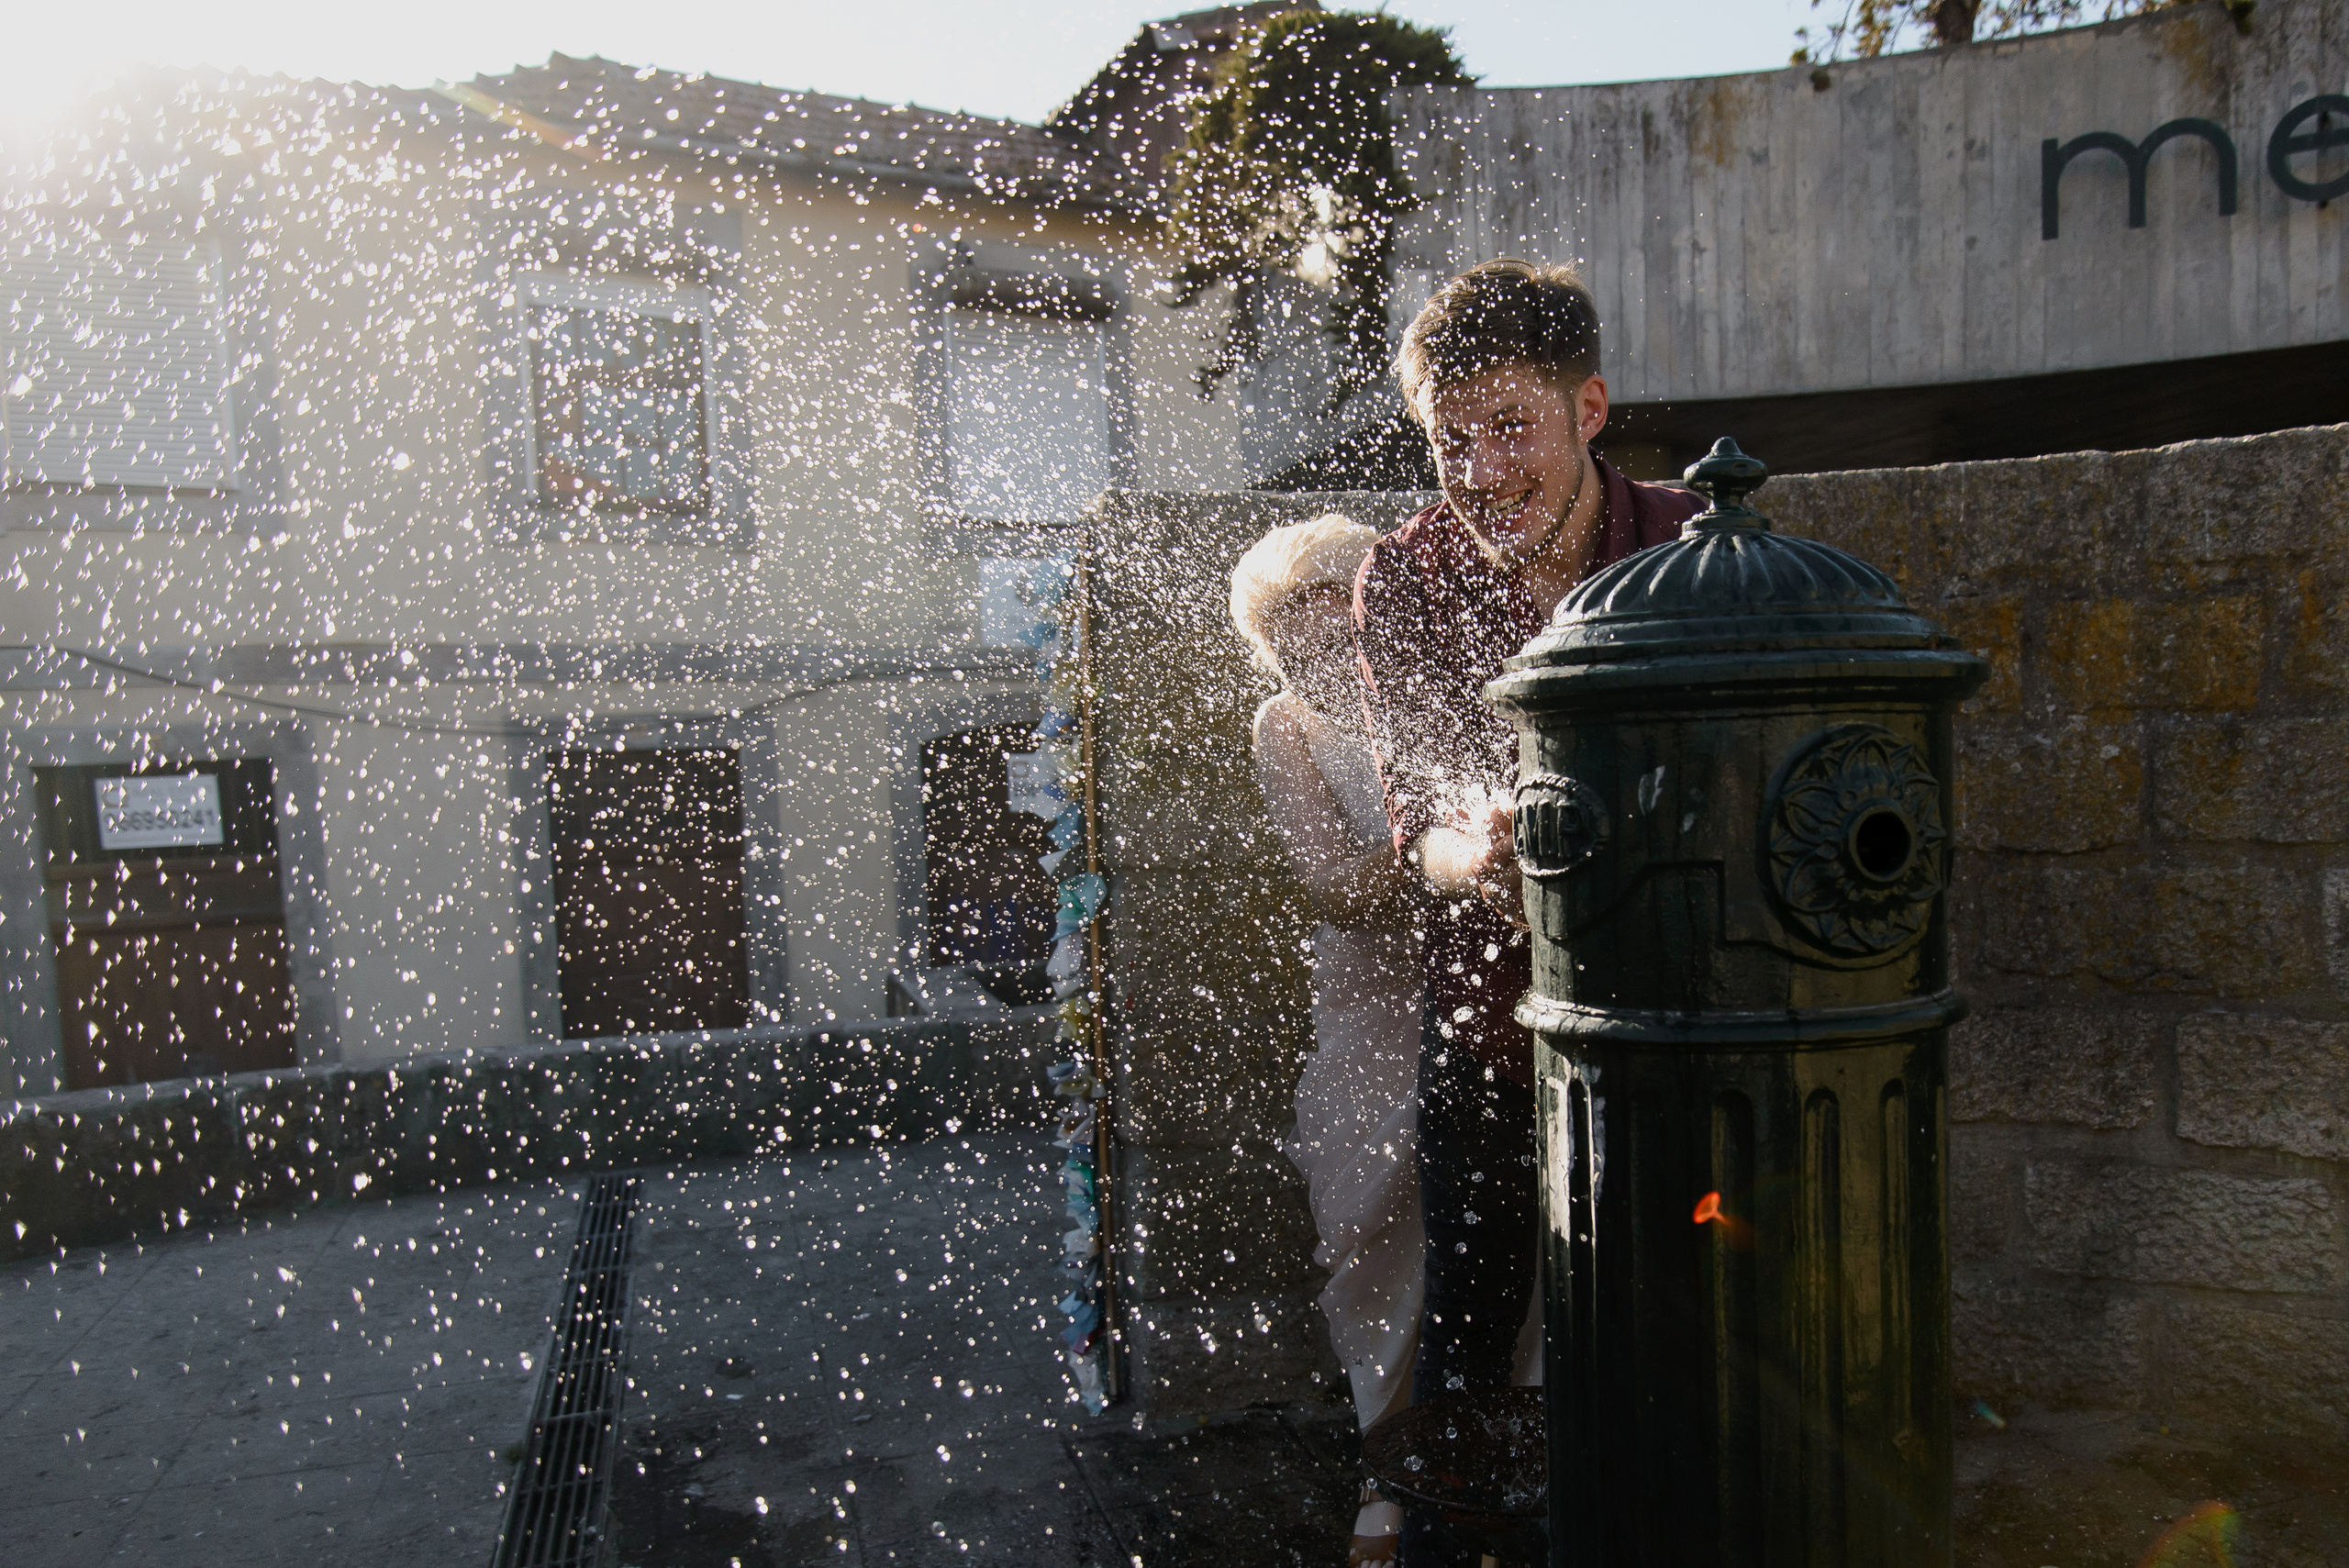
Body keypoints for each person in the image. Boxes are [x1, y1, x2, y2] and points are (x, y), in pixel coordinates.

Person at [1353, 259, 1704, 1561]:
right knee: (1469, 1320)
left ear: (1592, 407)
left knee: (1683, 1308)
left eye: (1512, 428)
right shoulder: (1403, 577)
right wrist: (1480, 844)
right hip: (1489, 1017)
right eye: (1454, 439)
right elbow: (1418, 823)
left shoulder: (1690, 549)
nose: (1484, 471)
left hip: (1678, 1030)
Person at [1232, 515, 1425, 1568]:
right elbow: (1333, 885)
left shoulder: (1437, 694)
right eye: (1295, 637)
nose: (1322, 654)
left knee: (1513, 1229)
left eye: (1339, 624)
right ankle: (1388, 1465)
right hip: (1367, 1008)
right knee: (1370, 1236)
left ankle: (1504, 1446)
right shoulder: (1285, 727)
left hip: (1473, 993)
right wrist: (1436, 848)